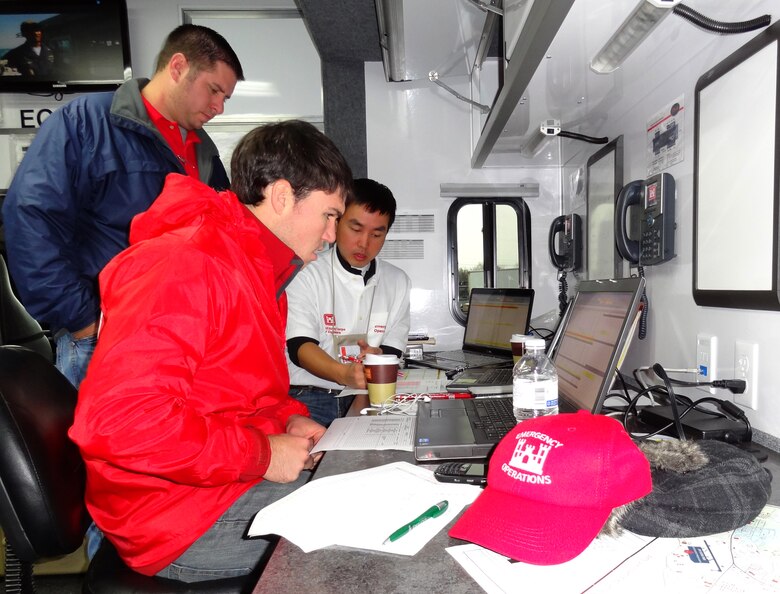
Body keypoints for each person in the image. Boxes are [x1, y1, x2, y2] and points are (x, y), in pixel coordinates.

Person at [68, 119, 353, 582]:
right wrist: (262, 455)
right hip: (171, 516)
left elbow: (242, 390)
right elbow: (123, 423)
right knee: (370, 538)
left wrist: (288, 418)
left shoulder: (259, 274)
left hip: (215, 486)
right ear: (283, 197)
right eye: (329, 215)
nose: (330, 235)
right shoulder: (185, 264)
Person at [1, 24, 243, 388]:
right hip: (103, 337)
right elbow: (29, 218)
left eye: (226, 98)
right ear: (177, 67)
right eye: (214, 90)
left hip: (181, 341)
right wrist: (83, 318)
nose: (218, 107)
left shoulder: (202, 149)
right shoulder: (86, 122)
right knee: (100, 446)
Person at [285, 178, 411, 426]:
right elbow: (299, 347)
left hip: (368, 395)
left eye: (377, 234)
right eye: (356, 229)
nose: (364, 243)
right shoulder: (306, 271)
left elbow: (393, 349)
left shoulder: (398, 281)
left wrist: (376, 361)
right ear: (337, 221)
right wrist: (344, 374)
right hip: (309, 395)